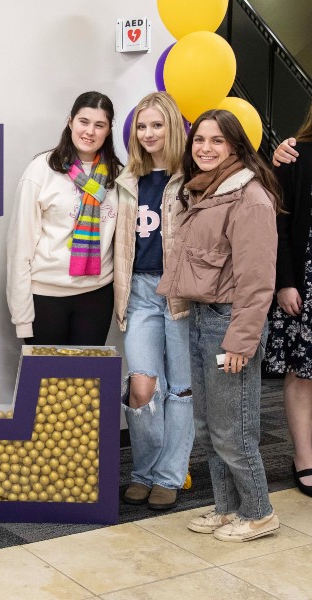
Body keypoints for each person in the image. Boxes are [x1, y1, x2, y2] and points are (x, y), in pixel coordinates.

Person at [157, 109, 281, 542]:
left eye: (217, 141)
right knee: (209, 427)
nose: (205, 148)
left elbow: (258, 279)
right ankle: (229, 508)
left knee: (235, 429)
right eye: (199, 140)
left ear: (236, 147)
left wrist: (242, 341)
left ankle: (260, 511)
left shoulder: (250, 198)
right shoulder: (205, 192)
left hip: (231, 321)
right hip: (202, 316)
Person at [113, 92, 193, 510]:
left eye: (157, 125)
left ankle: (169, 476)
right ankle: (143, 471)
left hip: (181, 294)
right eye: (141, 126)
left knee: (179, 390)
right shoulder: (126, 180)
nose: (148, 134)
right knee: (142, 387)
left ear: (173, 128)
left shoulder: (194, 175)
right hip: (140, 293)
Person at [7, 91, 122, 345]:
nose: (90, 131)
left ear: (108, 130)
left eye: (99, 125)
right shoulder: (42, 170)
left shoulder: (118, 177)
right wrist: (22, 318)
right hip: (45, 297)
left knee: (86, 383)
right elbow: (20, 246)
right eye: (84, 121)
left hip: (96, 296)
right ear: (70, 121)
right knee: (47, 383)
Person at [264, 102, 312, 497]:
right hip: (305, 283)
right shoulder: (295, 155)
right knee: (302, 373)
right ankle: (303, 457)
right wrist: (285, 282)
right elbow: (278, 224)